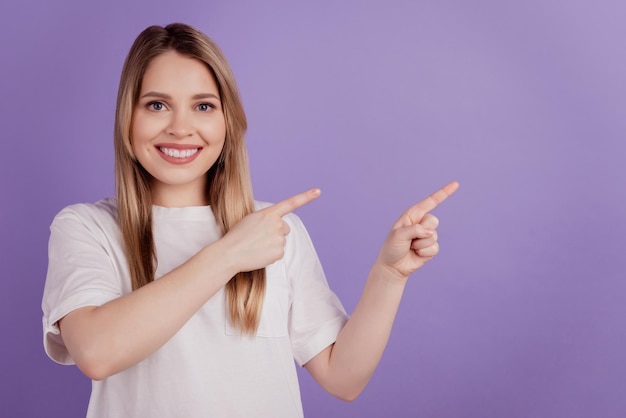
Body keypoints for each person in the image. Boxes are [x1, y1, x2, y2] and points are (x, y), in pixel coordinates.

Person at [41, 22, 459, 418]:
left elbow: (343, 378)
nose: (181, 127)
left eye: (203, 106)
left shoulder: (276, 231)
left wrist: (389, 276)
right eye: (156, 105)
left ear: (228, 121)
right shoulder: (86, 228)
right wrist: (229, 255)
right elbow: (96, 352)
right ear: (127, 118)